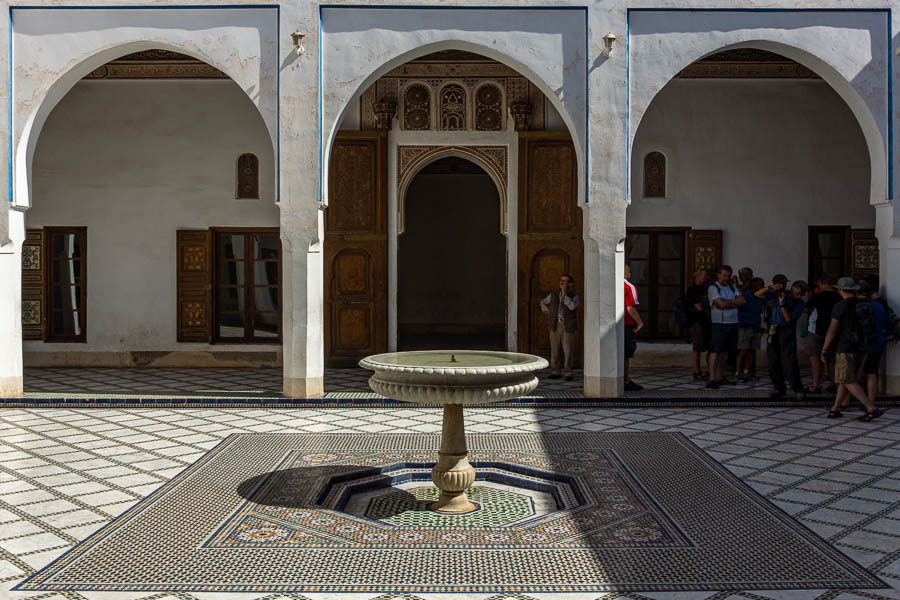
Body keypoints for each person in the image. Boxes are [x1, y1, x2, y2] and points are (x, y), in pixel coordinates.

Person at [822, 277, 882, 421]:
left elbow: (832, 330)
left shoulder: (840, 306)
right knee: (845, 379)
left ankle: (871, 408)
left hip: (845, 347)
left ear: (840, 290)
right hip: (862, 348)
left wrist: (825, 349)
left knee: (847, 379)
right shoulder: (864, 304)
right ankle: (835, 409)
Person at [755, 277, 807, 399]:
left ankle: (797, 388)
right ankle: (778, 388)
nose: (799, 296)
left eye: (802, 294)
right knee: (773, 360)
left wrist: (782, 304)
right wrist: (770, 287)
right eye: (797, 293)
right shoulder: (780, 294)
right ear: (792, 290)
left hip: (787, 330)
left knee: (789, 360)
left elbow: (789, 319)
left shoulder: (800, 303)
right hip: (774, 328)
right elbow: (757, 294)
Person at [706, 265, 746, 389]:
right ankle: (712, 378)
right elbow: (720, 304)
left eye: (728, 276)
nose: (726, 278)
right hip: (720, 323)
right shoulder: (714, 288)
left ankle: (720, 376)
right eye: (724, 275)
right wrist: (733, 302)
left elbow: (743, 301)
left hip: (733, 323)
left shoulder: (732, 287)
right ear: (718, 275)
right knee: (715, 351)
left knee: (725, 352)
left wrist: (728, 302)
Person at [803, 274, 841, 394]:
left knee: (815, 358)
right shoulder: (838, 297)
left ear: (821, 284)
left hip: (816, 330)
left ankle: (816, 385)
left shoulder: (817, 297)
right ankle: (832, 384)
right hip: (833, 331)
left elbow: (806, 309)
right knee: (831, 359)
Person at [540, 273, 579, 381]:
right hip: (555, 324)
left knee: (568, 350)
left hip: (568, 325)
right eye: (561, 281)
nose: (562, 283)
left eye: (565, 281)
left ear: (570, 284)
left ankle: (568, 372)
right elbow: (542, 302)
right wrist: (548, 311)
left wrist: (565, 295)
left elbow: (572, 307)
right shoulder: (553, 295)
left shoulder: (574, 296)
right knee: (555, 350)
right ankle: (555, 371)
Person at [858, 282, 885, 409]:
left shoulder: (859, 306)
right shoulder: (879, 306)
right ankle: (871, 400)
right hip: (878, 342)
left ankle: (863, 402)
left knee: (857, 373)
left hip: (863, 344)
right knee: (872, 372)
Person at [683, 268, 711, 381]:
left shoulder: (707, 289)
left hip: (707, 322)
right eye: (705, 276)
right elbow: (699, 307)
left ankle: (709, 370)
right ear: (697, 277)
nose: (707, 278)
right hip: (697, 323)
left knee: (710, 347)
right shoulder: (692, 290)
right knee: (697, 347)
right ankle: (696, 371)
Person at [736, 277, 765, 381]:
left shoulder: (760, 298)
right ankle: (738, 373)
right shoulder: (745, 296)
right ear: (755, 286)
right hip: (745, 327)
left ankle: (747, 372)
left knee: (752, 351)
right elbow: (738, 311)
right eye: (761, 285)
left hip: (756, 327)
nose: (763, 288)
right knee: (743, 351)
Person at [623, 264, 644, 391]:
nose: (629, 274)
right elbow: (630, 307)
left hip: (614, 326)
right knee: (625, 354)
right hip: (626, 324)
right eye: (629, 272)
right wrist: (640, 322)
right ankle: (625, 380)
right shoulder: (628, 287)